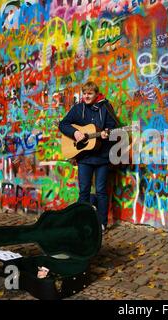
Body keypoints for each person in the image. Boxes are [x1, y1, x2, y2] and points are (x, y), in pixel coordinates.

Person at [58, 81, 119, 233]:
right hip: (84, 157)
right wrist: (75, 133)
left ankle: (102, 223)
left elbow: (114, 127)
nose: (86, 96)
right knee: (84, 191)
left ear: (96, 94)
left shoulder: (105, 107)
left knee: (101, 191)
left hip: (102, 157)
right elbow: (63, 124)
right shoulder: (78, 108)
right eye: (84, 93)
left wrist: (107, 132)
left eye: (90, 94)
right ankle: (81, 222)